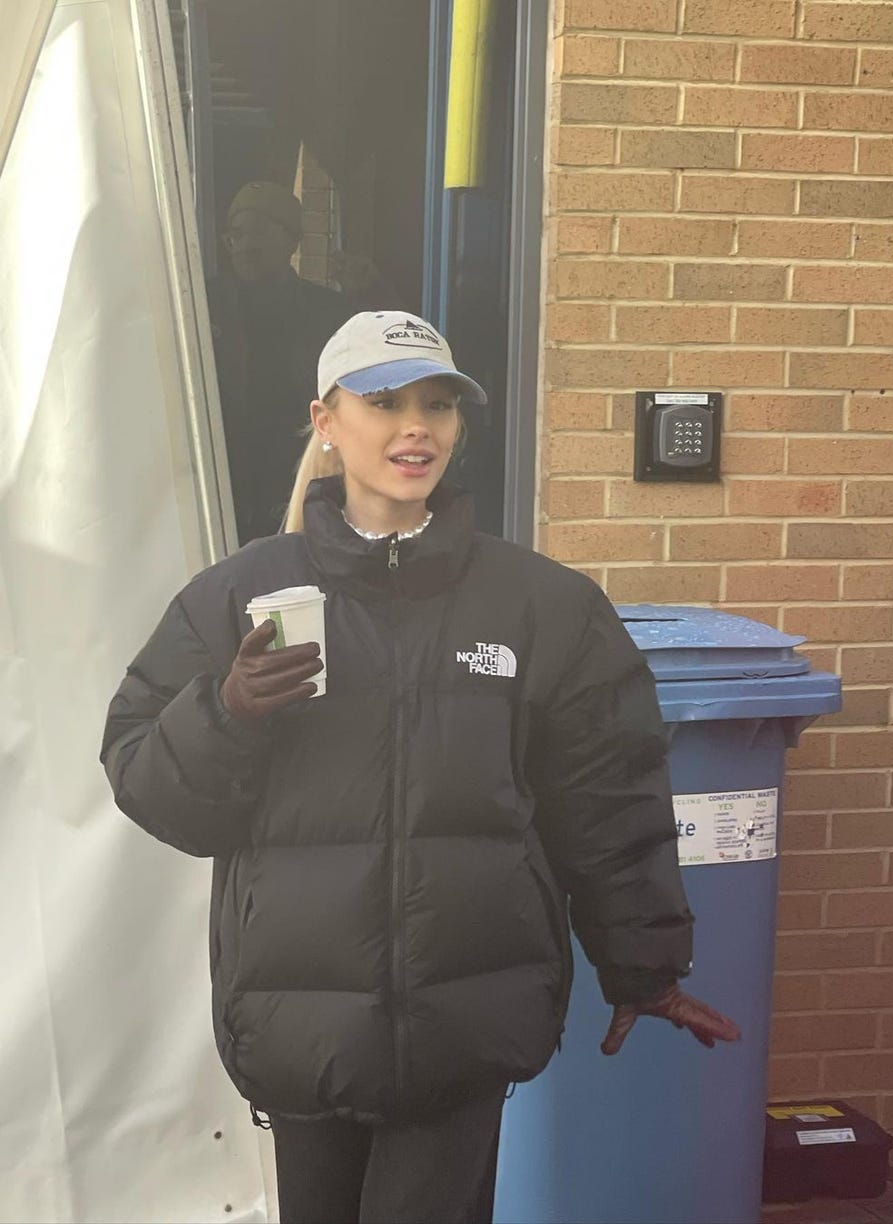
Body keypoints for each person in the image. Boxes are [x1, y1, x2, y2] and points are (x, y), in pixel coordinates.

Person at [101, 311, 739, 1224]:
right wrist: (227, 711)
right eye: (386, 401)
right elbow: (152, 788)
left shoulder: (542, 607)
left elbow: (605, 800)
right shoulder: (238, 597)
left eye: (437, 405)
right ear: (326, 420)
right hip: (300, 1020)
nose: (416, 427)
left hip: (466, 1021)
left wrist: (644, 965)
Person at [207, 180, 394, 543]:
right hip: (219, 470)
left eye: (258, 232)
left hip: (295, 475)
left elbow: (388, 355)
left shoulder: (326, 311)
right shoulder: (202, 305)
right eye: (236, 235)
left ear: (291, 240)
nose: (245, 246)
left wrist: (372, 291)